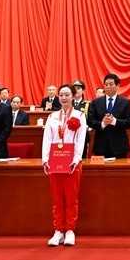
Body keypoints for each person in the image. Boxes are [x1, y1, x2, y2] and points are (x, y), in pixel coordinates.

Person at [42, 84, 87, 247]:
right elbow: (47, 139)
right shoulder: (52, 117)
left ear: (73, 96)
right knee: (57, 198)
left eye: (67, 94)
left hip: (72, 162)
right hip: (55, 161)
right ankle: (58, 230)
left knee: (71, 198)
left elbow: (81, 140)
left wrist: (76, 159)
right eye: (61, 95)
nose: (63, 98)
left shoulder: (79, 115)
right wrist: (45, 159)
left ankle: (70, 230)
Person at [88, 73, 130, 158]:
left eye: (111, 84)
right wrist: (103, 123)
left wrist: (114, 121)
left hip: (119, 146)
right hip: (101, 145)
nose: (108, 87)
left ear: (117, 86)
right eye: (106, 84)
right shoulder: (95, 102)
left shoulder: (125, 102)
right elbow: (90, 121)